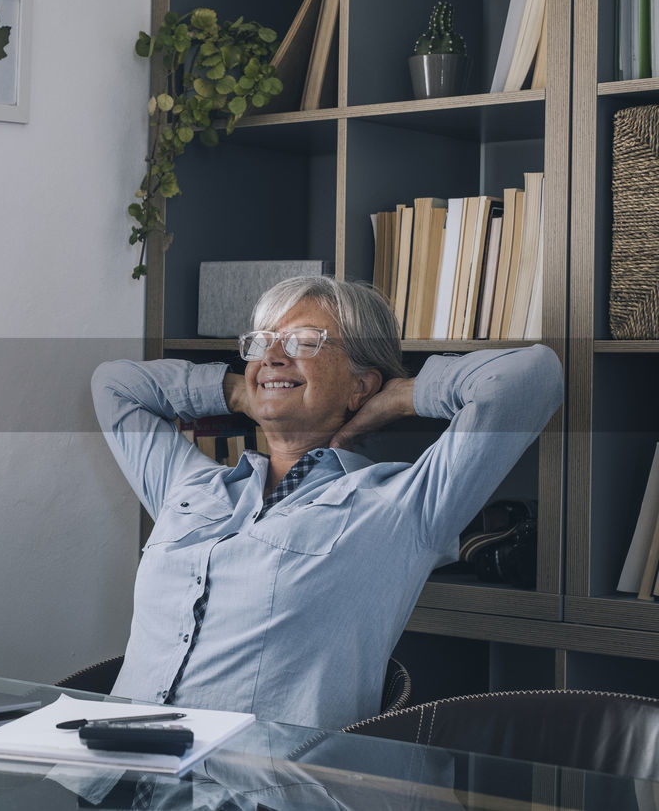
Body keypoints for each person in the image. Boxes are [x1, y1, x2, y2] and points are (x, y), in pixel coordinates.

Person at [91, 276, 562, 729]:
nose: (272, 355)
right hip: (109, 773)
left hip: (247, 789)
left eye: (303, 341)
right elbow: (114, 383)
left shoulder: (401, 505)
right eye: (261, 343)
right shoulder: (190, 487)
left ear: (360, 384)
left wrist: (400, 396)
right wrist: (238, 390)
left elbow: (530, 377)